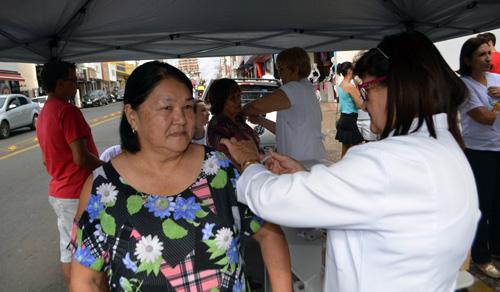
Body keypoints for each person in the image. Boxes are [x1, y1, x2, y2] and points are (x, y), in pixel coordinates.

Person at [220, 31, 480, 292]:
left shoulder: (387, 161)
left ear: (398, 86)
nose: (363, 106)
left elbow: (274, 199)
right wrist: (305, 178)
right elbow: (368, 208)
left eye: (365, 91)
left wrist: (250, 162)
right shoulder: (449, 149)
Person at [69, 61, 292, 292]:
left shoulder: (218, 170)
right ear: (132, 116)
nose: (182, 119)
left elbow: (269, 234)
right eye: (167, 108)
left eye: (187, 107)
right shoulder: (103, 190)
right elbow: (88, 280)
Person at [36, 61, 105, 288]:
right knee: (89, 251)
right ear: (60, 83)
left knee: (69, 248)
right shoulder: (68, 111)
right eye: (74, 81)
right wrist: (108, 168)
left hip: (59, 192)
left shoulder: (44, 113)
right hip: (77, 192)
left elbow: (47, 160)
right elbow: (81, 157)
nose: (77, 85)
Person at [458, 37, 500, 278]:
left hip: (499, 148)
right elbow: (483, 117)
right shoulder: (465, 85)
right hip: (480, 152)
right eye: (481, 55)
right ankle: (481, 257)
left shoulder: (496, 80)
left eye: (489, 53)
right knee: (482, 206)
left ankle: (496, 247)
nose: (487, 59)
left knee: (499, 205)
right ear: (468, 60)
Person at [242, 47, 328, 161]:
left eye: (281, 70)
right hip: (306, 161)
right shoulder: (305, 88)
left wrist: (239, 110)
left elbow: (256, 106)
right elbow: (285, 131)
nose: (279, 75)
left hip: (304, 162)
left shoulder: (296, 88)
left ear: (295, 69)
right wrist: (262, 121)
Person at [206, 78, 263, 171]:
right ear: (221, 101)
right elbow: (226, 160)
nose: (238, 101)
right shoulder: (217, 125)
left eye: (238, 96)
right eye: (232, 98)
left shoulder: (238, 119)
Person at [335, 61, 364, 157]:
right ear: (349, 71)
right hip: (351, 119)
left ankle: (342, 168)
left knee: (345, 150)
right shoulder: (349, 86)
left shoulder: (342, 84)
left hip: (344, 118)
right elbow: (359, 105)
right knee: (359, 148)